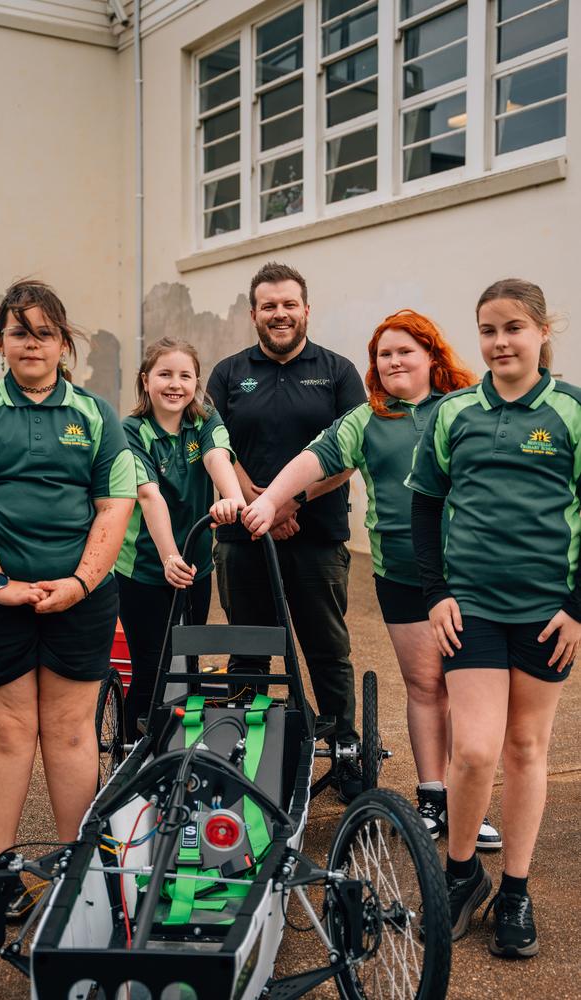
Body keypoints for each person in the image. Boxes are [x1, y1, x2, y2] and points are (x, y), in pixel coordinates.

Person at [239, 309, 500, 848]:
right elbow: (313, 460)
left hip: (474, 574)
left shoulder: (466, 409)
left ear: (432, 356)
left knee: (468, 692)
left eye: (405, 351)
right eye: (383, 355)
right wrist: (267, 501)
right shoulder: (367, 419)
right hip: (402, 574)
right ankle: (432, 797)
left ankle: (469, 806)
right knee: (425, 686)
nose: (394, 362)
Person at [0, 279, 136, 913]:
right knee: (7, 731)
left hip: (82, 599)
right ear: (1, 342)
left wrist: (80, 583)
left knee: (72, 732)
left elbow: (115, 504)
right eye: (19, 331)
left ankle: (82, 876)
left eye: (44, 331)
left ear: (63, 342)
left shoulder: (98, 415)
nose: (32, 343)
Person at [406, 279, 580, 958]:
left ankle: (515, 890)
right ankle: (460, 875)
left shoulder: (568, 411)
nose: (500, 342)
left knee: (527, 749)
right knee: (474, 752)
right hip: (471, 606)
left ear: (542, 330)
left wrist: (575, 610)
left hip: (546, 613)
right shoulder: (455, 412)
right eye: (488, 329)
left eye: (513, 328)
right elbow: (425, 506)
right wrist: (436, 593)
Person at [207, 261, 366, 803]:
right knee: (248, 651)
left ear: (306, 309)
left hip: (317, 535)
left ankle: (344, 753)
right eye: (268, 305)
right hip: (243, 537)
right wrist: (260, 505)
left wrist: (290, 501)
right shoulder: (228, 373)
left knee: (326, 651)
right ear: (254, 313)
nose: (280, 313)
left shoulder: (339, 371)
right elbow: (218, 447)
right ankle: (240, 758)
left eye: (289, 303)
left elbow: (350, 452)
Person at [116, 337, 245, 740]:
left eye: (185, 375)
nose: (175, 384)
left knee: (188, 657)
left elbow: (216, 458)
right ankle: (132, 744)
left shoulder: (204, 420)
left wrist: (234, 499)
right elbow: (148, 495)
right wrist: (170, 557)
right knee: (153, 664)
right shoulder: (131, 430)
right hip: (145, 568)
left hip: (196, 565)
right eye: (164, 374)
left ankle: (181, 743)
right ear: (145, 380)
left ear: (197, 382)